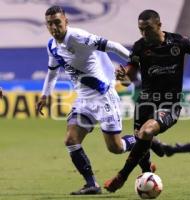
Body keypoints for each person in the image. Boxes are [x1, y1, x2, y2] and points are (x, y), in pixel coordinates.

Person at [104, 9, 190, 192]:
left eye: (147, 29)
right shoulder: (139, 47)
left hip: (169, 104)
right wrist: (122, 76)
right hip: (145, 103)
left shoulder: (179, 42)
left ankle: (122, 176)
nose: (144, 33)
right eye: (141, 29)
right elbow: (127, 81)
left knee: (146, 132)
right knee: (142, 140)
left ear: (159, 25)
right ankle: (148, 172)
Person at [36, 5, 138, 195]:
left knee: (116, 148)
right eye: (50, 24)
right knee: (71, 139)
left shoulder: (78, 37)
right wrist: (45, 95)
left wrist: (135, 61)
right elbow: (52, 72)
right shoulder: (52, 45)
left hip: (103, 96)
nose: (54, 27)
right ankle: (92, 184)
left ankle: (144, 141)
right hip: (83, 99)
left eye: (57, 22)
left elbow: (112, 46)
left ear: (66, 21)